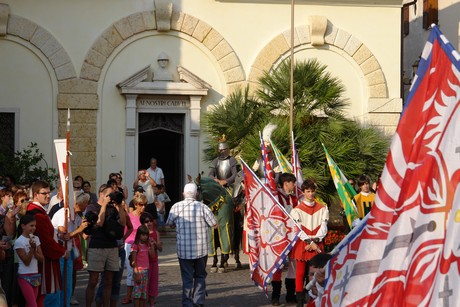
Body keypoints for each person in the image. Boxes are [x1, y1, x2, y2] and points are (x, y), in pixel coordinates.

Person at [166, 183, 217, 307]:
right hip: (201, 250)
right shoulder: (203, 207)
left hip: (183, 250)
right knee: (200, 276)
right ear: (197, 194)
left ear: (183, 194)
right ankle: (198, 302)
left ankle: (187, 303)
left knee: (187, 278)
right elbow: (214, 225)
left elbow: (169, 224)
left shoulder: (176, 207)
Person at [26, 180, 70, 307]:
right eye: (44, 193)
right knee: (43, 296)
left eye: (49, 192)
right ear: (35, 195)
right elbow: (46, 241)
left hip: (41, 258)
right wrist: (62, 252)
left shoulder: (38, 211)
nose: (48, 195)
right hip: (43, 261)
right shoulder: (38, 215)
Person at [290, 179, 329, 307]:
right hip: (303, 243)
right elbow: (297, 229)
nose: (311, 194)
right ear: (303, 192)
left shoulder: (323, 208)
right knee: (300, 273)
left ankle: (316, 297)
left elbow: (324, 226)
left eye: (312, 191)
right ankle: (300, 301)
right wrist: (309, 241)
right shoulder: (296, 210)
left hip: (316, 243)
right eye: (308, 191)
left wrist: (315, 241)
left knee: (317, 272)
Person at [85, 186, 126, 307]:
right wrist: (104, 205)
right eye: (109, 194)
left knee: (109, 281)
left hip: (112, 247)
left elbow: (123, 223)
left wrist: (119, 206)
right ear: (101, 195)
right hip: (96, 247)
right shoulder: (92, 207)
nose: (111, 197)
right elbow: (99, 222)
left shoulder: (113, 208)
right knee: (93, 281)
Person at [51, 191, 89, 306]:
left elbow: (84, 236)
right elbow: (64, 236)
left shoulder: (77, 216)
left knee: (68, 282)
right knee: (60, 281)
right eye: (85, 203)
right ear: (77, 203)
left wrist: (88, 227)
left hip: (69, 251)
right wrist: (80, 229)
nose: (86, 206)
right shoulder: (63, 214)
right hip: (59, 251)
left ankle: (66, 303)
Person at [270, 173, 298, 305]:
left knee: (293, 265)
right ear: (286, 183)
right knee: (278, 266)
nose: (294, 185)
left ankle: (290, 295)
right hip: (279, 236)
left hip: (292, 236)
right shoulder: (275, 197)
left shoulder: (293, 198)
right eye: (293, 183)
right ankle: (275, 295)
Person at [14, 214, 44, 307]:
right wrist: (32, 249)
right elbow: (26, 262)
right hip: (24, 276)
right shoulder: (19, 241)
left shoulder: (36, 238)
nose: (34, 228)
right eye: (31, 225)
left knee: (30, 304)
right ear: (23, 226)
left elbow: (42, 259)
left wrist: (34, 251)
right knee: (33, 304)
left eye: (35, 225)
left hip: (35, 275)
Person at [122, 193, 147, 305]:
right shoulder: (129, 216)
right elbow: (125, 231)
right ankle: (129, 295)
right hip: (130, 244)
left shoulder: (145, 217)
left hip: (143, 246)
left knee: (143, 271)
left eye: (145, 204)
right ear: (136, 204)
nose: (143, 207)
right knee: (131, 271)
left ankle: (142, 295)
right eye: (141, 204)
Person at [140, 212, 162, 307]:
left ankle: (152, 304)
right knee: (145, 285)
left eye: (151, 221)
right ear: (142, 223)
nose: (149, 223)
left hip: (154, 262)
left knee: (153, 283)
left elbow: (160, 249)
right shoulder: (141, 234)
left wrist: (155, 244)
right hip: (144, 263)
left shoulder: (156, 233)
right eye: (146, 221)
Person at [130, 225, 155, 307]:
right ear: (139, 235)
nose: (145, 237)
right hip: (139, 271)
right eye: (143, 235)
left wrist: (151, 246)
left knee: (143, 294)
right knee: (137, 293)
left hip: (146, 271)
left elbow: (152, 256)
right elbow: (133, 261)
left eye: (146, 235)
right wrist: (136, 273)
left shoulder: (147, 245)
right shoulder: (135, 245)